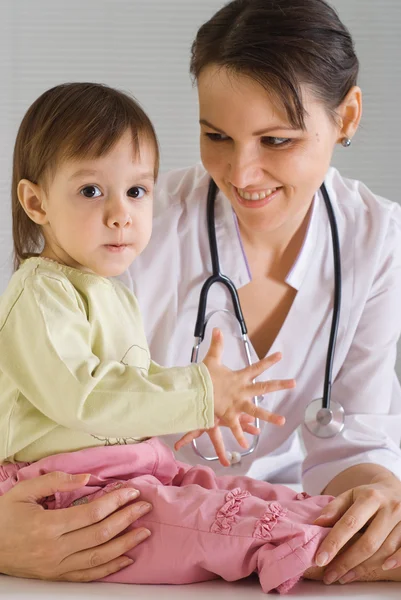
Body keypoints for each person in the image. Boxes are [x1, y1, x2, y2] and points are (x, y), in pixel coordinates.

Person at [2, 0, 401, 588]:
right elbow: (41, 398)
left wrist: (379, 502)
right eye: (216, 135)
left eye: (277, 141)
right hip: (123, 513)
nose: (241, 173)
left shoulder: (377, 236)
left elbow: (354, 435)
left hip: (248, 512)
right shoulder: (127, 222)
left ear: (346, 118)